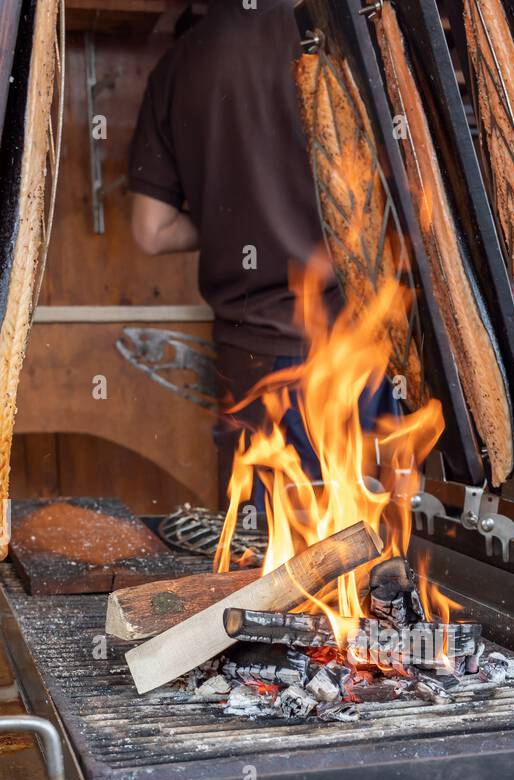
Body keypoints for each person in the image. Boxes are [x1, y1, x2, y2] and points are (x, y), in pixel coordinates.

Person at [127, 0, 348, 506]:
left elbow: (152, 231)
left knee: (261, 560)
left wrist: (232, 219)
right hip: (358, 349)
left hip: (250, 358)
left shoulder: (179, 65)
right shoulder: (339, 41)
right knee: (373, 562)